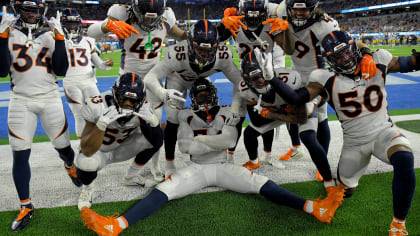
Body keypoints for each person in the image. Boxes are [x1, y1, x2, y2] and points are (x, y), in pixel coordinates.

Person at [80, 78, 345, 236]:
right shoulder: (186, 115)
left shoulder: (227, 111)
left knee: (260, 183)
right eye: (200, 95)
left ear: (214, 95)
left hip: (222, 166)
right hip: (196, 169)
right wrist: (207, 141)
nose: (204, 99)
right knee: (163, 191)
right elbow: (186, 147)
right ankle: (116, 225)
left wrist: (201, 140)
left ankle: (315, 208)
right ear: (193, 98)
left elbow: (229, 141)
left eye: (207, 94)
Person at [264, 30, 417, 236]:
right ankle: (341, 188)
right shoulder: (324, 78)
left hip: (383, 132)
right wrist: (272, 78)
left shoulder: (378, 60)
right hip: (354, 143)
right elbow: (297, 98)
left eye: (347, 53)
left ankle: (398, 224)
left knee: (405, 158)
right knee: (346, 191)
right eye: (338, 57)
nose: (345, 60)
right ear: (330, 61)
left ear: (355, 48)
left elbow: (413, 62)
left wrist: (369, 53)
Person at [0, 0, 80, 232]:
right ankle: (25, 205)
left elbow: (62, 70)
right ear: (19, 10)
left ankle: (68, 164)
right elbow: (2, 71)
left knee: (64, 147)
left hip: (50, 97)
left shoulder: (49, 35)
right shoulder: (9, 33)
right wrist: (2, 37)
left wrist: (59, 39)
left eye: (35, 10)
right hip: (21, 100)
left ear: (42, 11)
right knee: (20, 154)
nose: (32, 15)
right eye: (27, 10)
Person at [87, 0, 187, 183]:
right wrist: (107, 25)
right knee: (117, 124)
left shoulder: (166, 16)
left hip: (153, 81)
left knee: (154, 127)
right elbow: (90, 32)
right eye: (145, 17)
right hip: (127, 80)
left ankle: (152, 167)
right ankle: (95, 157)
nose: (149, 23)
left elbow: (182, 36)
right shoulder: (122, 13)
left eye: (153, 18)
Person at [144, 20, 243, 175]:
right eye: (199, 49)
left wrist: (236, 108)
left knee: (224, 114)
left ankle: (226, 155)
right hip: (179, 81)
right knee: (172, 118)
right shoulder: (176, 53)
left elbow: (240, 82)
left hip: (202, 82)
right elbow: (150, 77)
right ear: (189, 44)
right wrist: (162, 93)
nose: (204, 54)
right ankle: (169, 165)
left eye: (209, 50)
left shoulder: (223, 55)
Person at [219, 0, 304, 166]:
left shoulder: (271, 24)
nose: (252, 22)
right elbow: (217, 37)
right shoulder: (236, 22)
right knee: (236, 115)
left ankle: (271, 153)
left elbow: (291, 47)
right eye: (249, 18)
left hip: (268, 75)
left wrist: (286, 29)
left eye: (256, 17)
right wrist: (223, 24)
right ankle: (229, 155)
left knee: (274, 111)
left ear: (264, 14)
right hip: (245, 77)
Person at [75, 72, 163, 211]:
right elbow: (86, 149)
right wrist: (102, 124)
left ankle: (131, 177)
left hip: (122, 149)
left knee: (150, 139)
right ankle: (88, 189)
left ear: (140, 100)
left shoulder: (143, 108)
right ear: (115, 94)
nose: (128, 104)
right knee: (86, 162)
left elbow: (157, 142)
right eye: (123, 98)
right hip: (98, 151)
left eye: (132, 100)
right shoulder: (98, 105)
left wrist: (154, 122)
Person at [238, 50, 309, 170]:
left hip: (294, 110)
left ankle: (320, 165)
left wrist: (272, 113)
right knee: (249, 134)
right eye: (253, 78)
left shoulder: (288, 78)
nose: (259, 81)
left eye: (261, 76)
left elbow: (300, 112)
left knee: (309, 135)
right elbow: (257, 121)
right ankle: (254, 161)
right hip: (276, 112)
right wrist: (274, 114)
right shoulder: (245, 89)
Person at [60, 8, 114, 139]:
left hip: (89, 81)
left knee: (99, 112)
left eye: (74, 23)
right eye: (69, 23)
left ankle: (99, 142)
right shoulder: (58, 41)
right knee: (79, 115)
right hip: (70, 83)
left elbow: (100, 65)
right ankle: (82, 147)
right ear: (62, 24)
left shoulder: (88, 41)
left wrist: (106, 64)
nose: (72, 26)